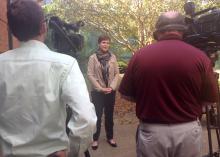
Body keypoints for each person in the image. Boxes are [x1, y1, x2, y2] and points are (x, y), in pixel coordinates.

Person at [0, 0, 96, 157]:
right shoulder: (66, 64)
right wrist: (72, 150)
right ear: (43, 27)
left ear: (12, 31)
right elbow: (86, 118)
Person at [119, 11, 218, 157]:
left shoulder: (139, 56)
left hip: (152, 133)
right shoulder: (200, 57)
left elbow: (126, 95)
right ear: (183, 31)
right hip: (187, 132)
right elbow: (211, 99)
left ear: (158, 32)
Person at [87, 35, 119, 150]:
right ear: (99, 44)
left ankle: (110, 137)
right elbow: (90, 74)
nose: (106, 45)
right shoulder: (93, 58)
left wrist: (111, 87)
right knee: (97, 115)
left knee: (109, 115)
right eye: (104, 42)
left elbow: (116, 73)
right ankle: (95, 139)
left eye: (108, 43)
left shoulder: (113, 57)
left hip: (110, 91)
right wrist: (100, 88)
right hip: (97, 92)